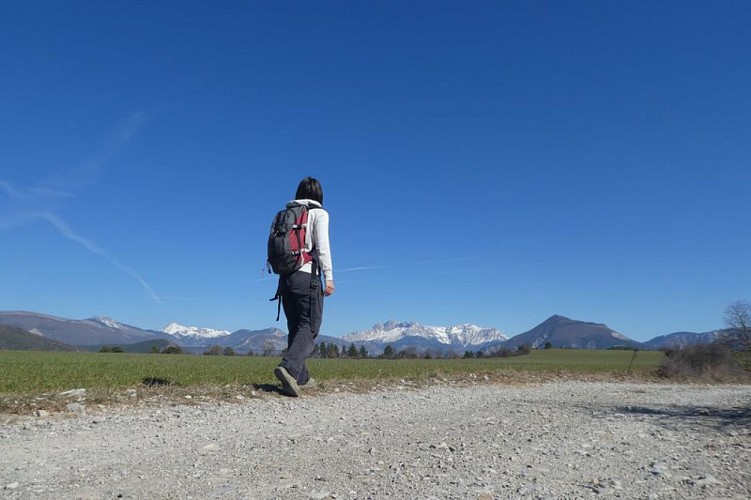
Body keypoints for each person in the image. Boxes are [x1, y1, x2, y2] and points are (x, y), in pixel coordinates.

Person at [274, 177, 334, 397]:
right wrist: (329, 277)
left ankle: (302, 378)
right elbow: (323, 246)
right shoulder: (319, 213)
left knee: (296, 327)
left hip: (285, 277)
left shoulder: (285, 214)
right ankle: (289, 368)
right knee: (309, 327)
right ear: (319, 195)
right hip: (306, 276)